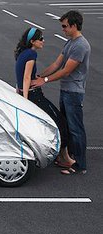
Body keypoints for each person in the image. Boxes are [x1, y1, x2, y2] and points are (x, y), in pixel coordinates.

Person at [32, 10, 91, 175]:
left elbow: (66, 71)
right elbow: (56, 64)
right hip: (66, 91)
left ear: (73, 25)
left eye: (65, 26)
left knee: (76, 129)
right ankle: (68, 159)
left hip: (74, 93)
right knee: (66, 126)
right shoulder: (70, 42)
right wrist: (38, 76)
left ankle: (80, 165)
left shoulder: (81, 45)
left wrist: (44, 81)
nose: (63, 29)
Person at [14, 27, 72, 167]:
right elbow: (27, 77)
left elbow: (19, 77)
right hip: (33, 95)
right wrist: (25, 100)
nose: (43, 41)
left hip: (28, 93)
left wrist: (19, 91)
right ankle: (64, 158)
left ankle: (61, 155)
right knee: (59, 121)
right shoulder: (31, 55)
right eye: (41, 39)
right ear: (33, 41)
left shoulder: (22, 52)